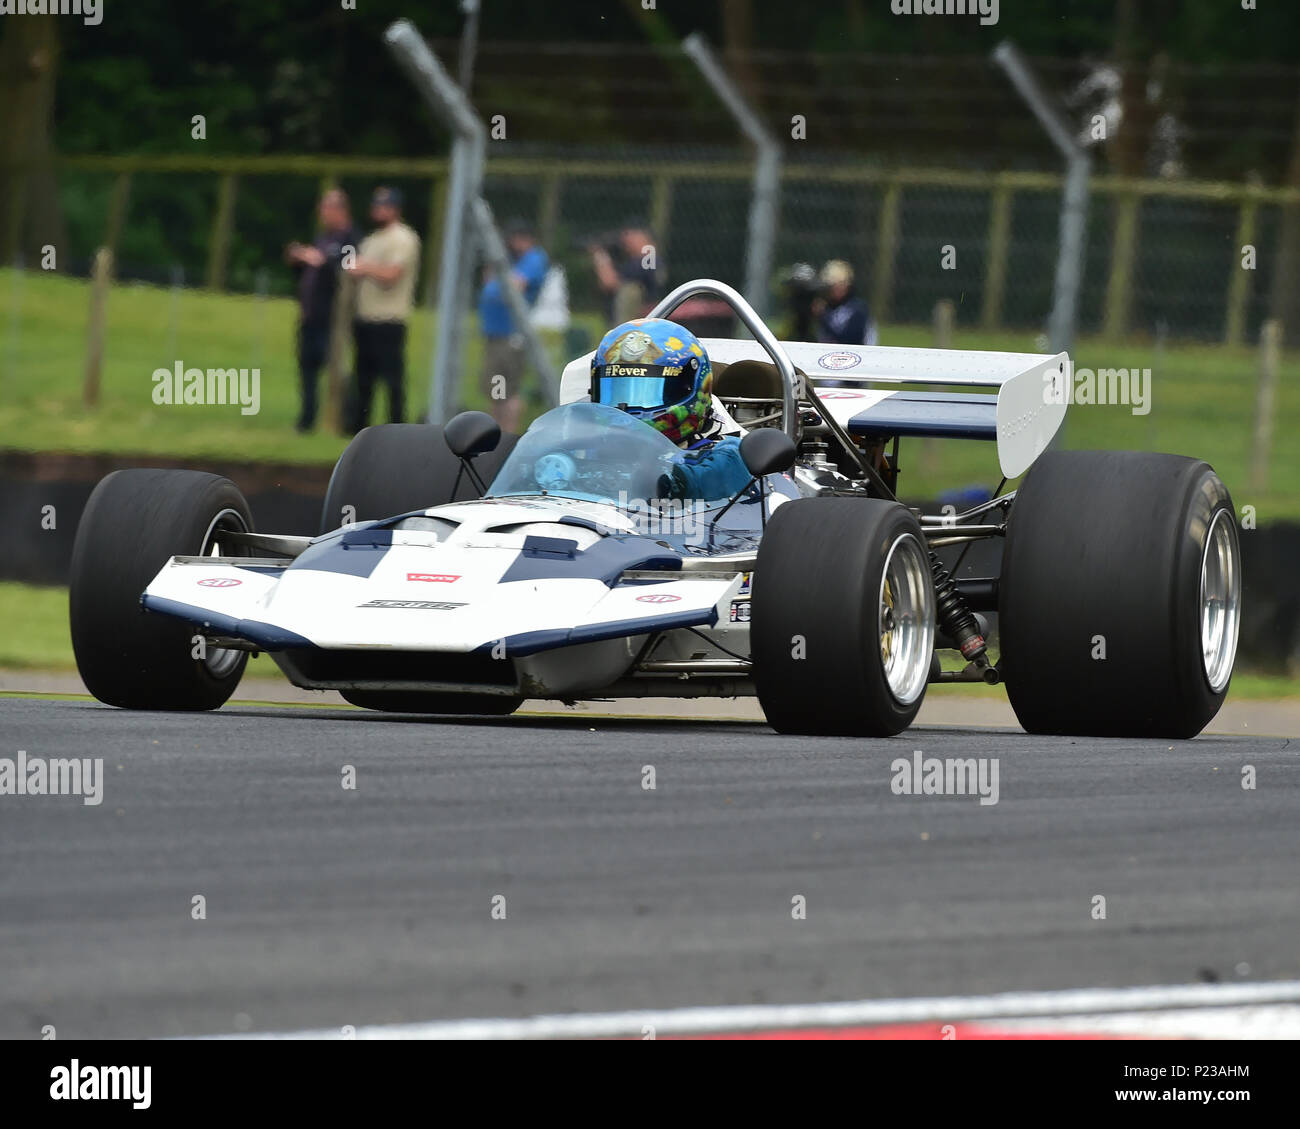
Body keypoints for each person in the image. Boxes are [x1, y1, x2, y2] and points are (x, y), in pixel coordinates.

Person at [588, 317, 751, 502]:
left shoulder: (725, 455)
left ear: (690, 387)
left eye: (648, 393)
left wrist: (672, 482)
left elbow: (718, 473)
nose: (627, 409)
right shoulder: (588, 443)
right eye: (616, 391)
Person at [344, 186, 421, 432]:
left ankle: (397, 427)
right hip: (366, 317)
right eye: (376, 205)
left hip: (389, 319)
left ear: (395, 209)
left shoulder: (403, 238)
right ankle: (359, 428)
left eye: (384, 206)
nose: (378, 210)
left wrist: (364, 267)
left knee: (392, 380)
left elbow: (392, 275)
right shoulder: (371, 239)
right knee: (363, 379)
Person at [284, 188, 357, 432]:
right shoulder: (323, 237)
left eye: (326, 208)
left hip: (333, 319)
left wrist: (318, 259)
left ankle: (344, 420)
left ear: (340, 210)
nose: (322, 214)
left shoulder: (350, 238)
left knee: (337, 372)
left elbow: (345, 269)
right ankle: (307, 420)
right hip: (310, 316)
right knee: (307, 370)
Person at [478, 218, 549, 433]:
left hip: (511, 335)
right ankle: (497, 431)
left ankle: (507, 434)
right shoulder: (512, 261)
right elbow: (489, 282)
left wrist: (499, 274)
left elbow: (516, 286)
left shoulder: (534, 258)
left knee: (506, 389)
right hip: (495, 333)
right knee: (496, 389)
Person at [590, 221, 662, 324]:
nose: (625, 242)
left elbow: (609, 283)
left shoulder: (647, 261)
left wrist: (600, 256)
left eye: (629, 236)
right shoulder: (642, 260)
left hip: (635, 322)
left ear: (640, 236)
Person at [813, 259, 879, 346]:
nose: (833, 289)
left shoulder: (857, 308)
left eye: (837, 285)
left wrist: (823, 316)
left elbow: (849, 339)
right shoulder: (827, 306)